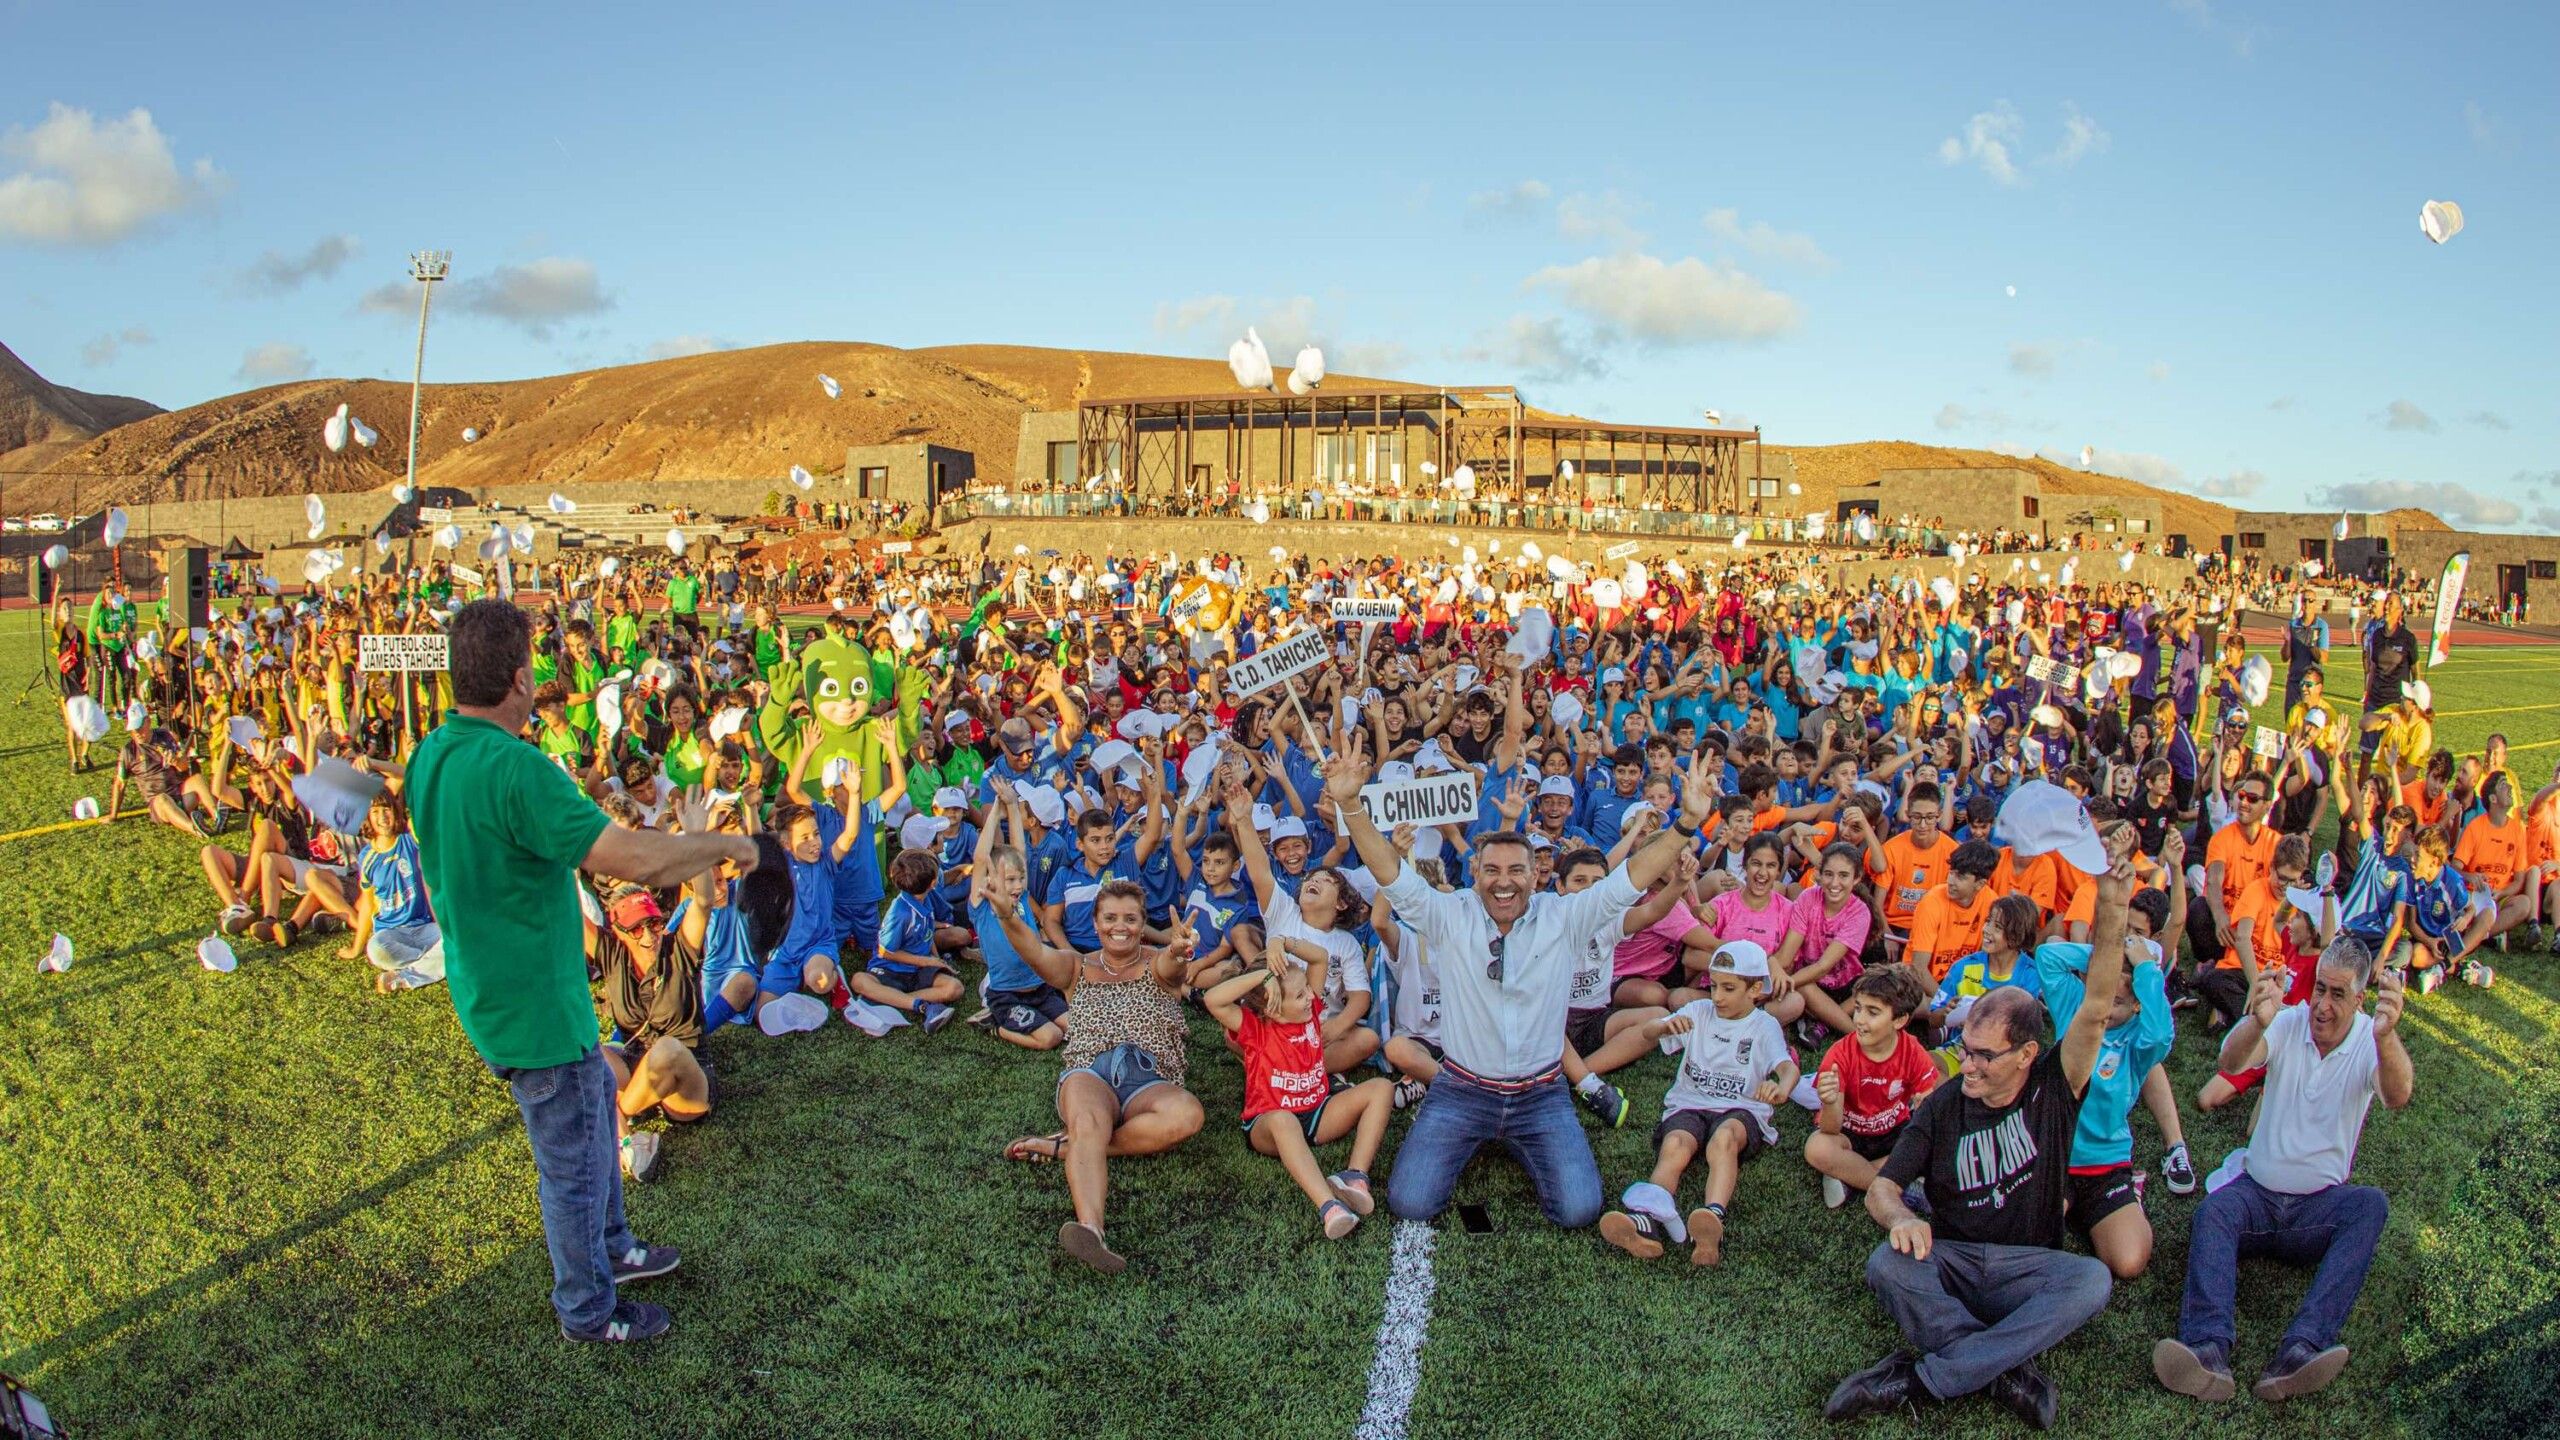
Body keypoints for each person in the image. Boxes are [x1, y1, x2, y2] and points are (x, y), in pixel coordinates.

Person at [408, 600, 760, 1345]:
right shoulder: (518, 768)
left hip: (501, 989)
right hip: (533, 1004)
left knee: (599, 1107)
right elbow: (630, 859)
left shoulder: (433, 752)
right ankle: (588, 1310)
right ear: (518, 678)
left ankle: (614, 1247)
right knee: (570, 1164)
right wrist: (721, 846)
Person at [1332, 735, 1719, 1231]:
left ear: (1536, 876)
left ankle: (1521, 1139)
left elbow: (1633, 877)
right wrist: (1350, 804)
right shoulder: (1451, 914)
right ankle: (1490, 1137)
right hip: (1462, 1088)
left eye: (1517, 869)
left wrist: (1687, 823)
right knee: (1410, 1202)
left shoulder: (1565, 916)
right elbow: (1391, 874)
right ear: (1474, 873)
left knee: (1579, 1210)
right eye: (1491, 870)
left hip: (1541, 1092)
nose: (1504, 880)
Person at [1824, 855, 2136, 1431]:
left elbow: (2094, 1010)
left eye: (1983, 1055)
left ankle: (1917, 1379)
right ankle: (2006, 1370)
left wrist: (2113, 906)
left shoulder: (2053, 1087)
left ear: (2025, 1055)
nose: (1966, 1064)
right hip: (1955, 1261)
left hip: (2030, 1264)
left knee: (2092, 1280)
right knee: (1886, 1267)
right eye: (1964, 1048)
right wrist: (1898, 1218)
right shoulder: (1946, 1103)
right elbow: (1883, 1190)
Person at [2152, 938, 2412, 1403]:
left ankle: (2301, 1350)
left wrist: (2388, 1037)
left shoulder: (2371, 1038)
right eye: (2319, 990)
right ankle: (2207, 1350)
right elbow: (2230, 1063)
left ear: (2359, 999)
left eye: (2337, 995)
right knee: (2215, 1212)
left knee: (2370, 1206)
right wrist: (2257, 1020)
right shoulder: (2290, 1022)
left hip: (2318, 1211)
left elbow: (2396, 1096)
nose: (2323, 1005)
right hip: (2257, 1195)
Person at [995, 882, 1204, 1274]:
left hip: (1149, 1075)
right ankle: (1091, 1228)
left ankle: (1067, 1148)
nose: (1119, 926)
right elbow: (1034, 951)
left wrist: (1178, 951)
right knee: (1089, 1122)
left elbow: (1173, 968)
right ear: (1095, 923)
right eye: (1110, 918)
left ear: (1143, 925)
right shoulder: (1076, 966)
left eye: (1130, 918)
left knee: (1188, 1114)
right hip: (1089, 1070)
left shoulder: (1156, 962)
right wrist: (1008, 916)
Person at [1596, 940, 1798, 1265]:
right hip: (1689, 1104)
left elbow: (1786, 1066)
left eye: (1728, 988)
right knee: (1675, 1144)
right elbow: (1648, 1033)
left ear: (1755, 989)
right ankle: (1645, 1220)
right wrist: (1663, 1026)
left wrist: (1783, 1087)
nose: (1717, 996)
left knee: (1725, 1139)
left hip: (1739, 1109)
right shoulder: (1699, 1011)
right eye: (1714, 985)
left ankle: (1712, 1219)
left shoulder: (1764, 1026)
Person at [1199, 928, 1395, 1240]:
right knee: (1283, 1119)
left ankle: (1354, 1177)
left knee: (1382, 1088)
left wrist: (1281, 943)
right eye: (1300, 995)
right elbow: (1213, 999)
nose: (1310, 999)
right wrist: (1264, 976)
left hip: (1318, 1113)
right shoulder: (1256, 1028)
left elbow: (1319, 957)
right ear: (1273, 1006)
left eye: (1307, 990)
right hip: (1269, 1126)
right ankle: (1329, 1206)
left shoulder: (1312, 1012)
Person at [1803, 964, 1939, 1209]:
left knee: (1935, 1140)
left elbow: (1929, 1105)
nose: (1860, 1020)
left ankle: (1849, 1175)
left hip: (1894, 1132)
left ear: (1899, 1020)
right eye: (1858, 1008)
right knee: (1817, 1147)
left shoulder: (1913, 1051)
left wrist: (1925, 1103)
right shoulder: (1839, 1054)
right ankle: (1899, 1189)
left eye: (1873, 1012)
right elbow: (1831, 1129)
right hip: (1849, 1134)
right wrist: (1831, 1101)